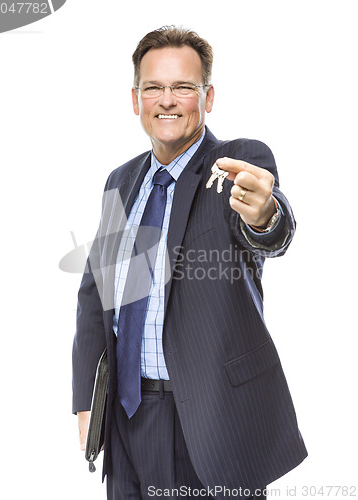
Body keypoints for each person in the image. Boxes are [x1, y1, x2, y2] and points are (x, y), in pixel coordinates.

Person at [72, 25, 307, 500]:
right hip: (126, 419)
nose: (168, 100)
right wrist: (85, 402)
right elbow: (97, 293)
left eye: (183, 87)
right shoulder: (122, 181)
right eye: (153, 87)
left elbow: (268, 230)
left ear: (208, 96)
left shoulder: (236, 163)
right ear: (135, 100)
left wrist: (265, 214)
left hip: (210, 421)